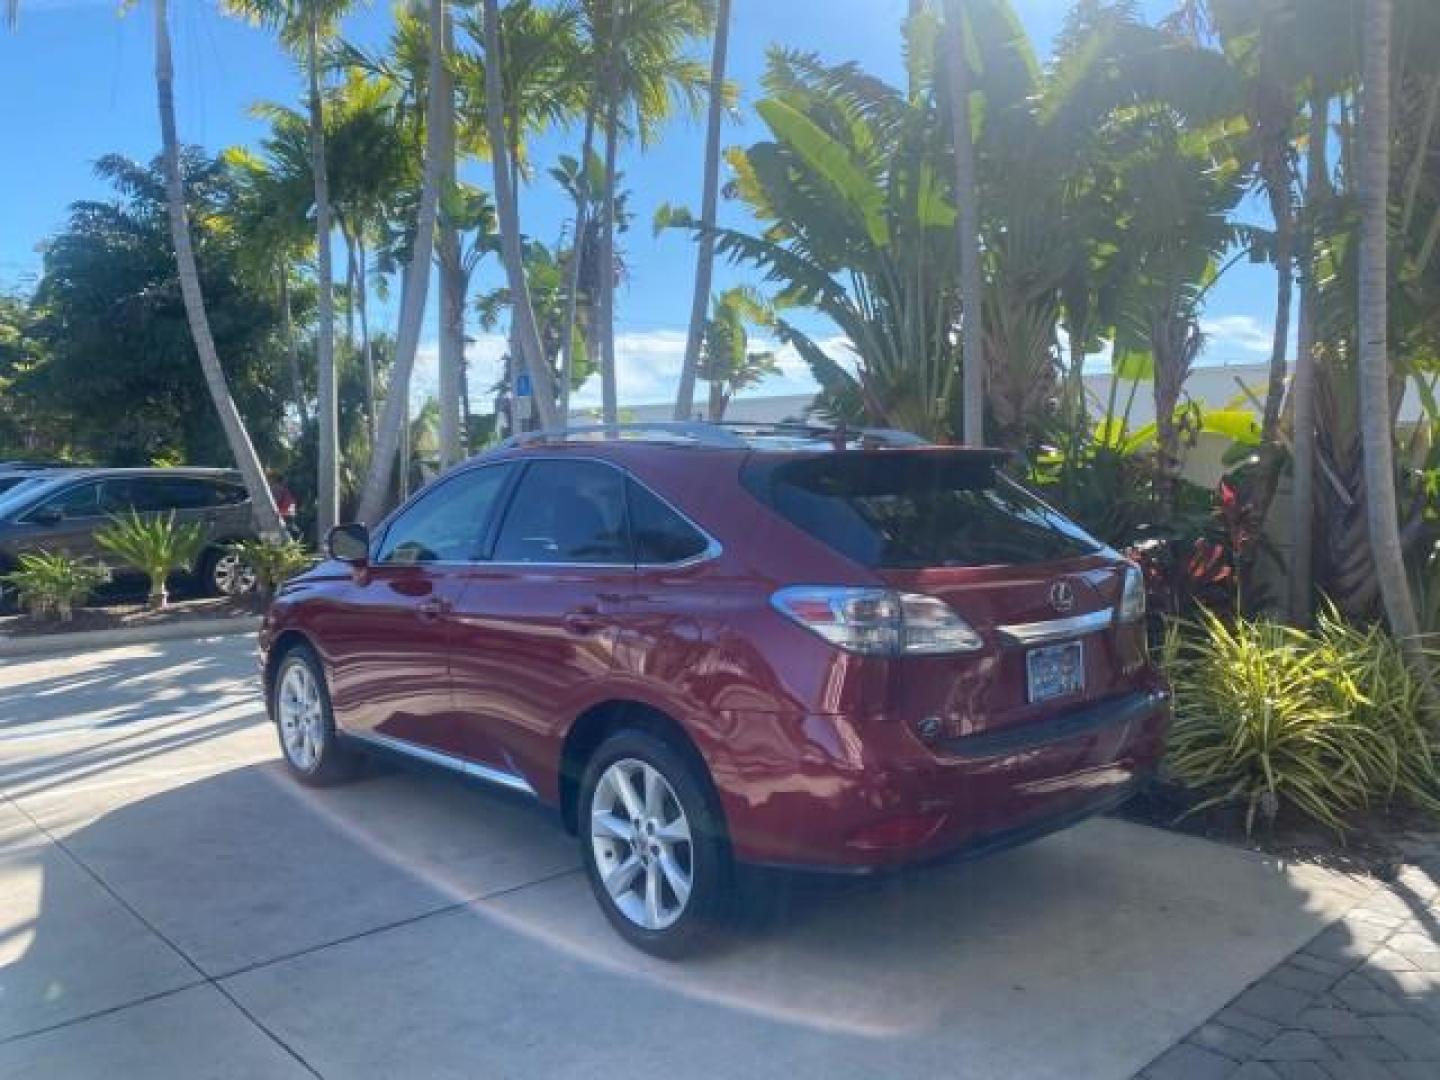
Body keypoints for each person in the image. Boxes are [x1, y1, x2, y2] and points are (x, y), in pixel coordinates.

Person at [266, 469, 298, 537]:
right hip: (287, 520)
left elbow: (273, 502)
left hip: (282, 520)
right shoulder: (285, 490)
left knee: (270, 541)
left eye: (269, 478)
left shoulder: (277, 488)